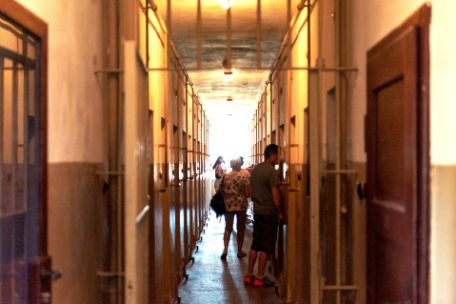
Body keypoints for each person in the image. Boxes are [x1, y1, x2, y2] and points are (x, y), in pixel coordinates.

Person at [244, 144, 282, 287]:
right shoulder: (271, 171)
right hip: (269, 212)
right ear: (272, 155)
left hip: (257, 212)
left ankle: (249, 275)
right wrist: (280, 211)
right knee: (265, 247)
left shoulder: (256, 169)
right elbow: (275, 194)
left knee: (255, 244)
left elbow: (248, 192)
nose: (278, 158)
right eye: (277, 155)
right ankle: (260, 277)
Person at [220, 158, 251, 260]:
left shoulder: (225, 177)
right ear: (238, 165)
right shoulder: (244, 177)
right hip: (241, 205)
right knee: (240, 228)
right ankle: (239, 251)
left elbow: (221, 191)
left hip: (228, 205)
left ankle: (225, 249)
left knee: (228, 227)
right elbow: (247, 194)